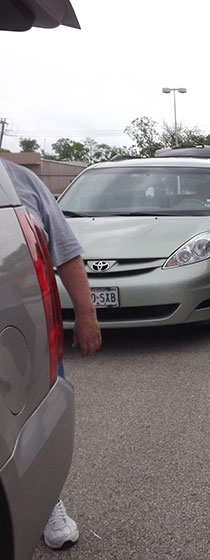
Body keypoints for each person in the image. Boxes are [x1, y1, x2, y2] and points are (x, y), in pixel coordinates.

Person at [2, 157, 102, 550]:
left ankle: (45, 502)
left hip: (24, 335)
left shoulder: (20, 180)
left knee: (32, 426)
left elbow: (65, 252)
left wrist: (86, 314)